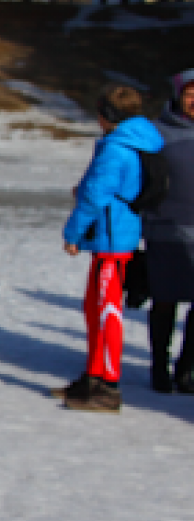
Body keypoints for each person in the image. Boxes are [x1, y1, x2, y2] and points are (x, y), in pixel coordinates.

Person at [57, 83, 165, 412]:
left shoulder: (118, 148)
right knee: (94, 306)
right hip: (111, 235)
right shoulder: (132, 140)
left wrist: (73, 233)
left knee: (107, 311)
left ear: (108, 115)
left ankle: (108, 384)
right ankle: (93, 374)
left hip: (113, 240)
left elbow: (95, 195)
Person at [146, 68, 194, 393]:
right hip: (164, 226)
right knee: (165, 300)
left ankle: (186, 367)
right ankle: (160, 366)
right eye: (190, 94)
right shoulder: (156, 132)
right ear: (178, 95)